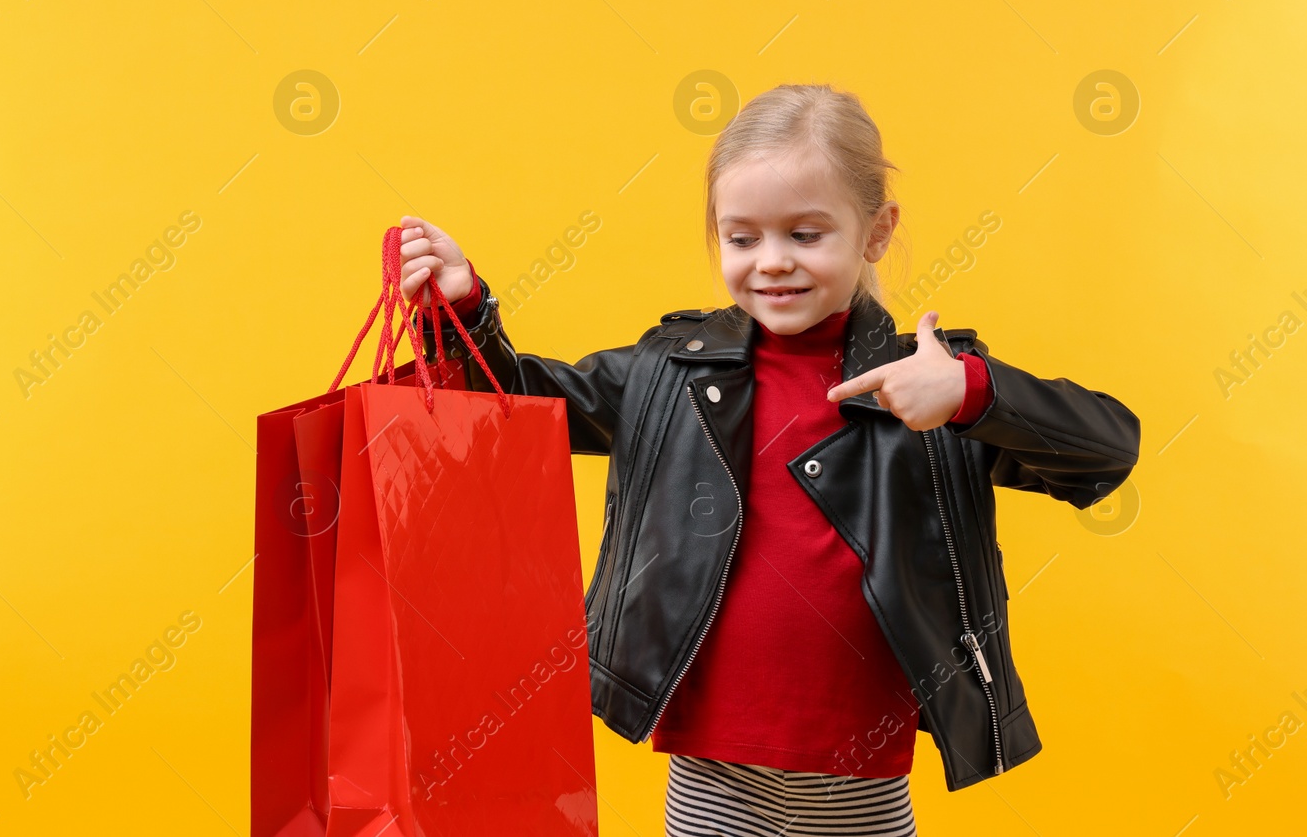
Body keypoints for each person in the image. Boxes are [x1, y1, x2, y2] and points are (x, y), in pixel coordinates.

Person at [395, 83, 1141, 836]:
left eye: (806, 234)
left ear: (876, 231)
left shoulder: (931, 380)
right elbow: (516, 410)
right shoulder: (669, 371)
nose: (771, 262)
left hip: (860, 776)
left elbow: (1107, 448)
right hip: (711, 774)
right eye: (742, 237)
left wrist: (972, 390)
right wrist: (464, 311)